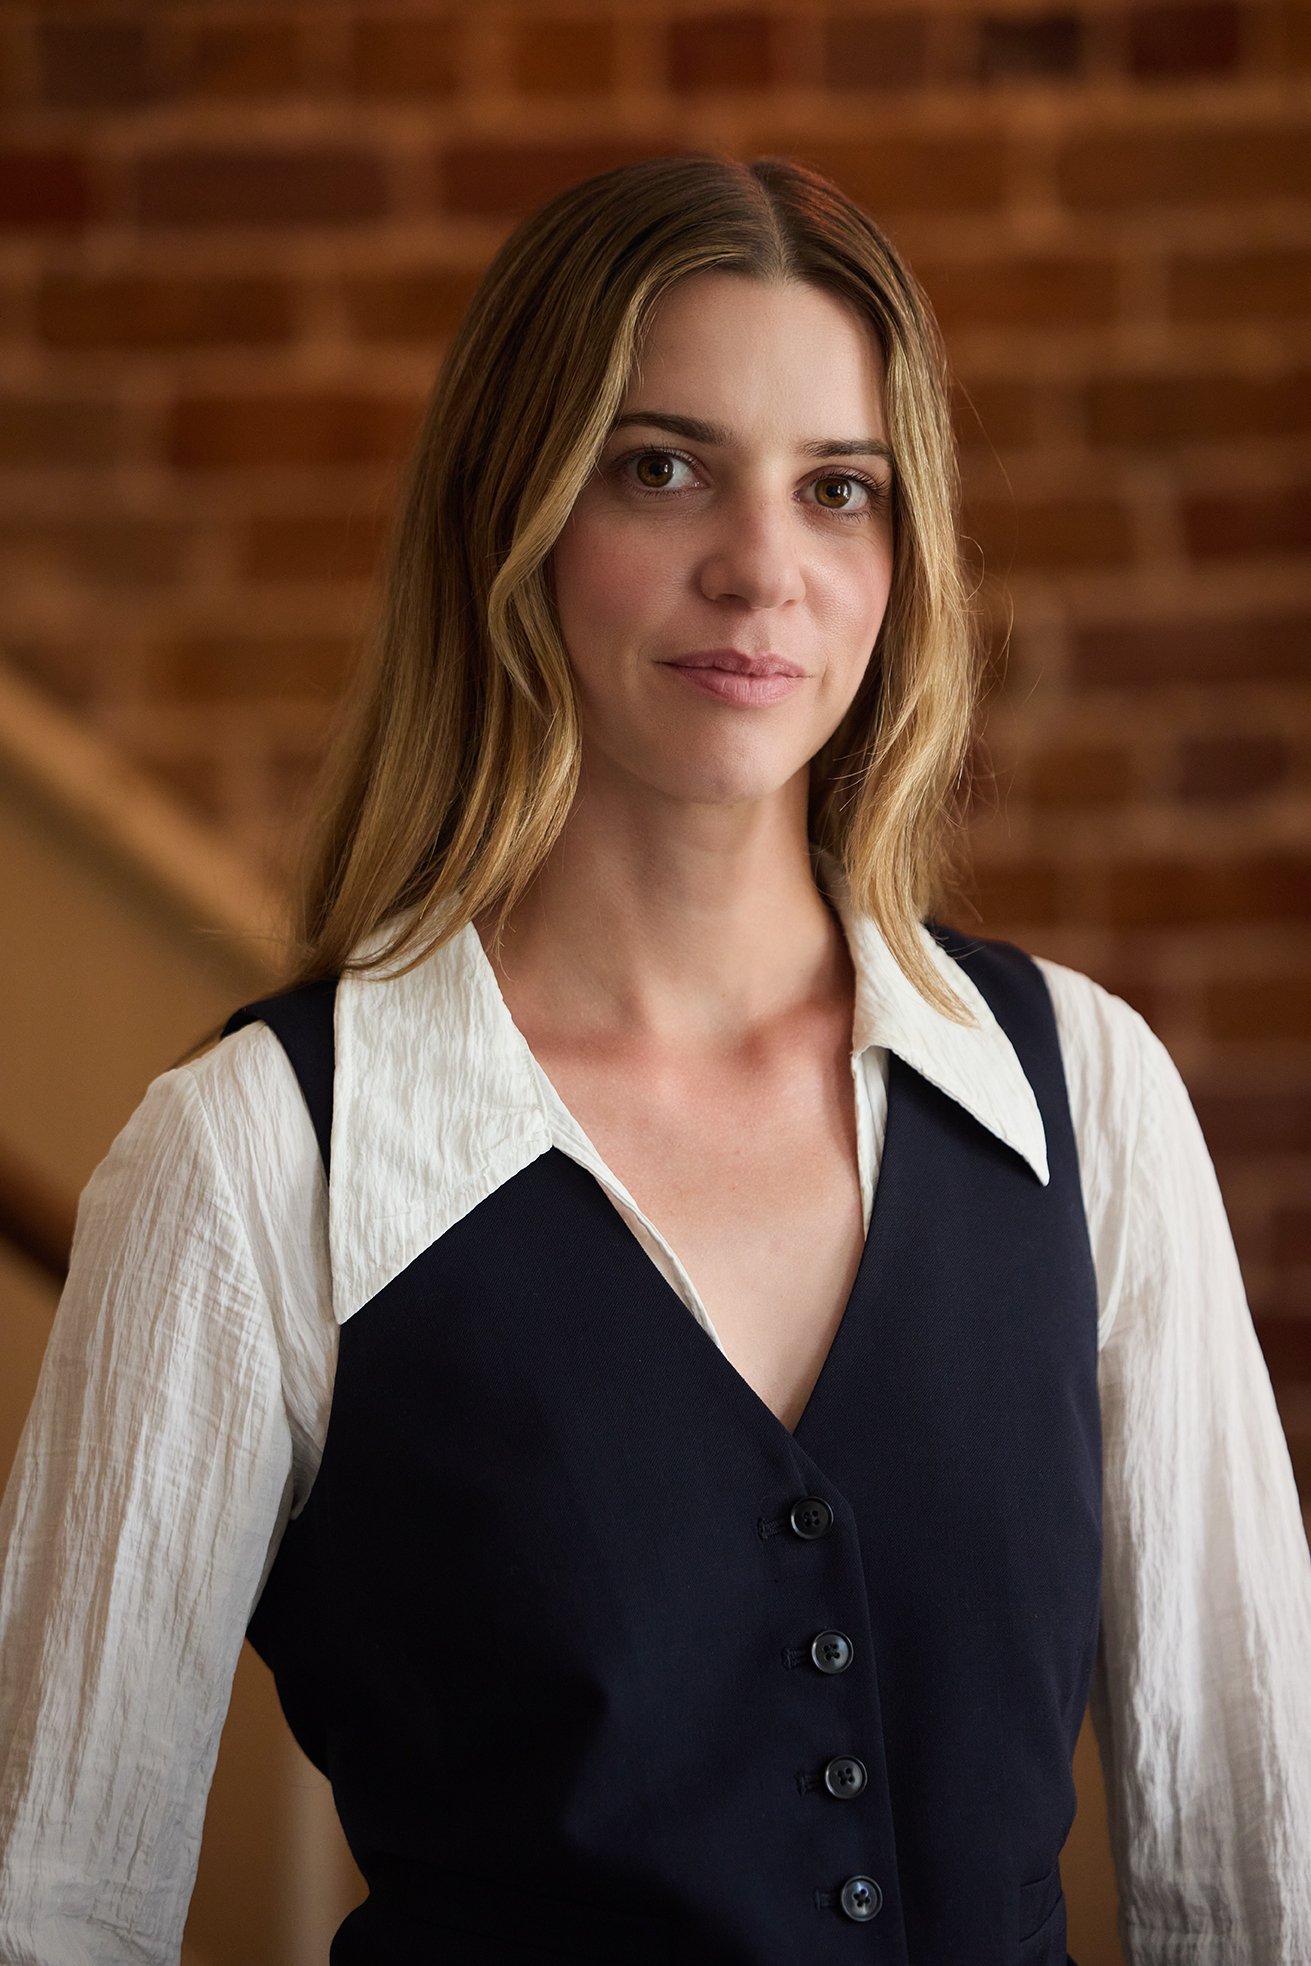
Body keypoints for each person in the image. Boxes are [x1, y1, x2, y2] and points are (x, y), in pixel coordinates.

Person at [1, 151, 1308, 1966]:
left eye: (839, 490)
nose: (762, 568)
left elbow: (1256, 1885)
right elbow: (50, 1907)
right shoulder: (255, 1162)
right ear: (514, 513)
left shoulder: (1088, 1102)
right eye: (662, 465)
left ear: (900, 556)